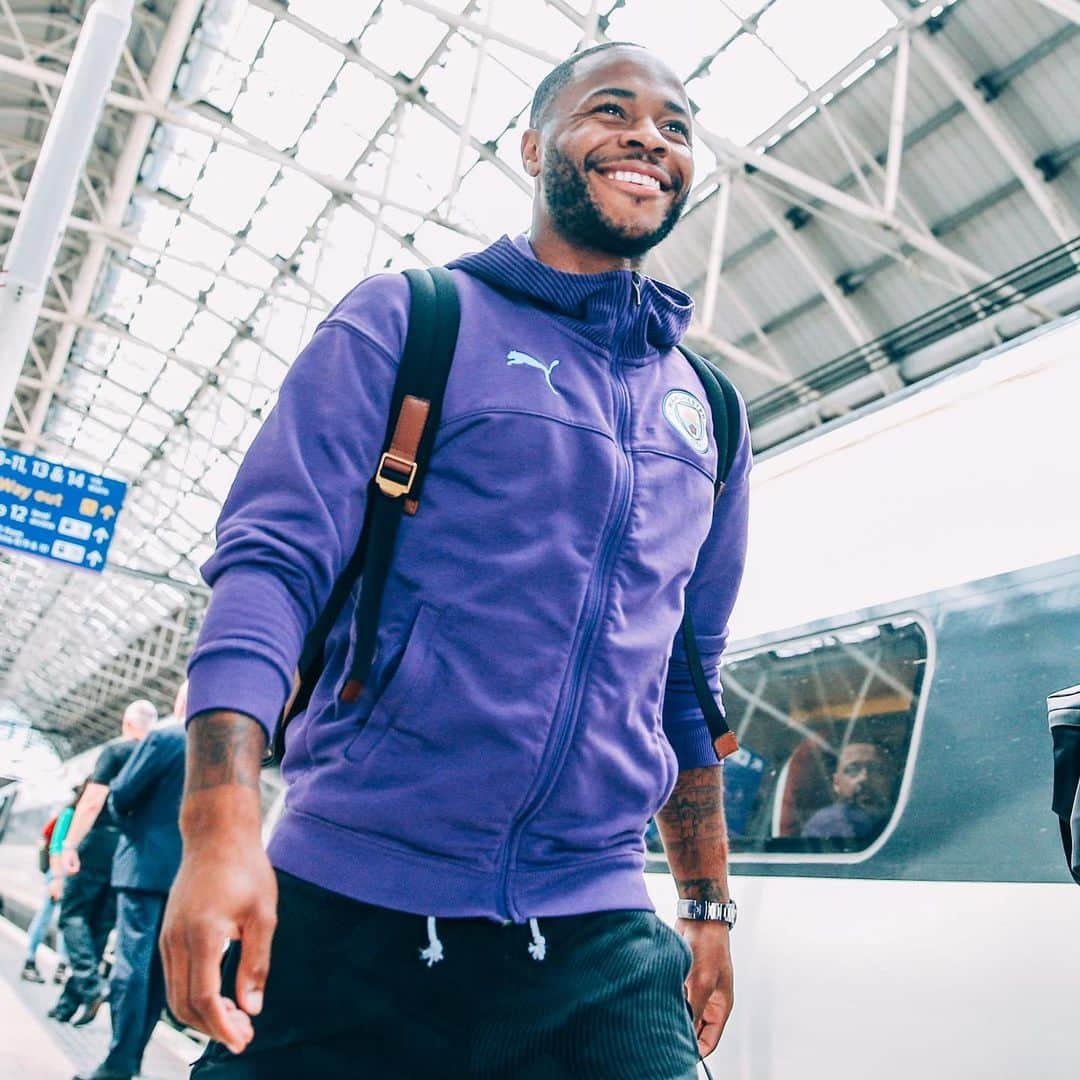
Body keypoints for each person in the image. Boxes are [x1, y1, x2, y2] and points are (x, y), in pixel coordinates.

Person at [164, 41, 751, 1079]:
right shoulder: (411, 320)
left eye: (675, 125)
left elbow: (687, 679)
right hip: (353, 906)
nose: (647, 138)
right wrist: (220, 827)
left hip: (595, 933)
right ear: (533, 147)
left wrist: (705, 909)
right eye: (609, 110)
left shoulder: (709, 411)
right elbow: (271, 569)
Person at [74, 685, 187, 1080]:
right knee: (157, 972)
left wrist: (128, 826)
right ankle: (133, 1056)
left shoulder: (166, 737)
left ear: (181, 701)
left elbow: (121, 795)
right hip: (186, 877)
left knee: (131, 967)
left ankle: (118, 1064)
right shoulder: (224, 746)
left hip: (143, 867)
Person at [49, 699, 157, 1025]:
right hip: (130, 852)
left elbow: (93, 801)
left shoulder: (117, 750)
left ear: (126, 723)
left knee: (71, 914)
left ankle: (91, 986)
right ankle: (70, 1003)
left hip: (99, 843)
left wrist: (70, 844)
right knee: (99, 926)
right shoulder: (156, 755)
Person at [20, 784, 79, 984]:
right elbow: (56, 846)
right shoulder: (69, 814)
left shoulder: (80, 816)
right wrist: (56, 878)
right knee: (46, 916)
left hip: (69, 875)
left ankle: (62, 965)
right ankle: (30, 959)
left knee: (65, 920)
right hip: (57, 874)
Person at [801, 741, 894, 842]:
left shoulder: (904, 817)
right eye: (852, 770)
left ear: (889, 779)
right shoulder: (825, 825)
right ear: (836, 782)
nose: (864, 777)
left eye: (875, 769)